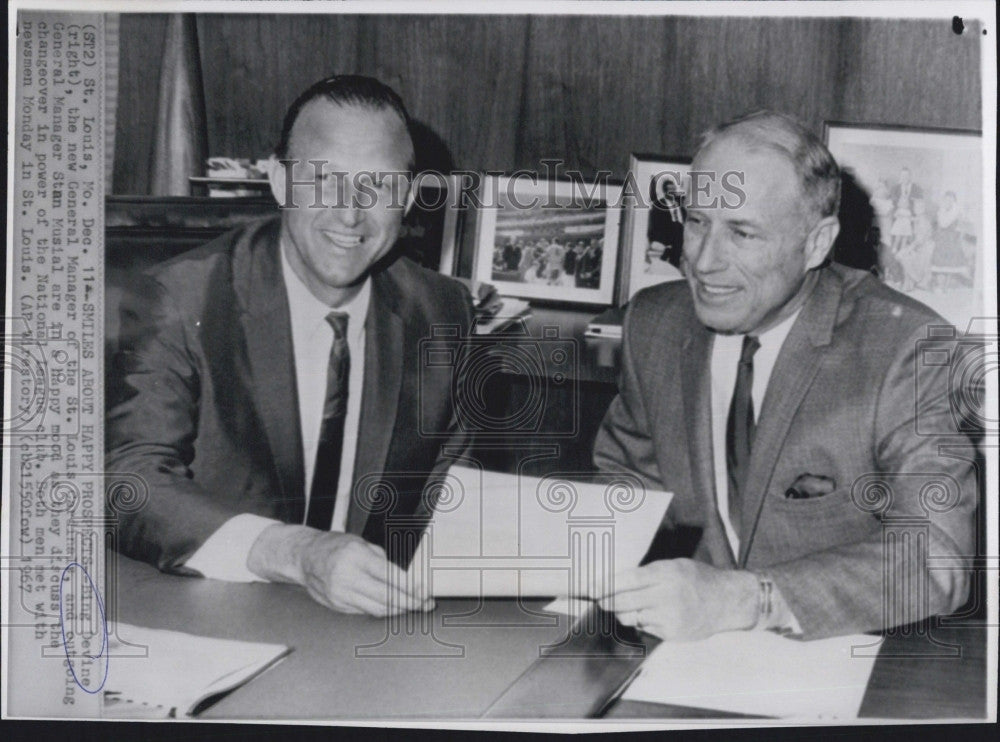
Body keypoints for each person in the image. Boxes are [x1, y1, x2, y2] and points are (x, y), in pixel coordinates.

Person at [593, 111, 976, 641]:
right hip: (681, 655)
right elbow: (626, 483)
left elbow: (938, 559)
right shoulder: (653, 323)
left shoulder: (905, 348)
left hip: (841, 659)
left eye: (742, 233)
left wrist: (753, 599)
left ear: (817, 244)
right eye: (697, 221)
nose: (703, 262)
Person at [106, 75, 473, 616]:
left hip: (361, 625)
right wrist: (299, 553)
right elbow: (126, 480)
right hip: (207, 608)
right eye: (325, 181)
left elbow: (452, 494)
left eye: (381, 185)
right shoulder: (178, 298)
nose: (351, 213)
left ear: (411, 199)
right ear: (279, 181)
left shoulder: (441, 310)